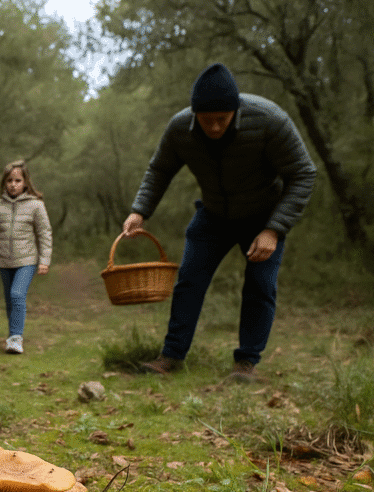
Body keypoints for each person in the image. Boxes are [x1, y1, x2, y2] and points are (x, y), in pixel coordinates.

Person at [121, 62, 316, 382]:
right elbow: (160, 170)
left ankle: (246, 364)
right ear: (194, 114)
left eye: (221, 120)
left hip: (263, 217)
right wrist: (139, 210)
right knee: (189, 280)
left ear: (235, 111)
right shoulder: (180, 128)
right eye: (206, 120)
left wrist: (274, 229)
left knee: (260, 285)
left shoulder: (269, 120)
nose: (213, 127)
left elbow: (303, 174)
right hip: (213, 215)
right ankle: (170, 357)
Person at [0, 160, 52, 355]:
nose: (13, 184)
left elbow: (44, 234)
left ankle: (16, 338)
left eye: (18, 180)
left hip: (26, 260)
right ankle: (12, 336)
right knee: (10, 300)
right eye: (9, 180)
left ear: (25, 183)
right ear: (4, 182)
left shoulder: (36, 205)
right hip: (3, 261)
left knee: (17, 294)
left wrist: (44, 260)